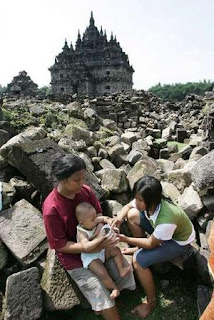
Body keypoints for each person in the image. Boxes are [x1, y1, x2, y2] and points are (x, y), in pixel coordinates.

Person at [42, 154, 136, 320]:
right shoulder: (51, 209)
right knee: (102, 294)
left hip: (99, 247)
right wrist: (89, 246)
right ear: (63, 180)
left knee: (124, 273)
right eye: (76, 180)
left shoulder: (85, 191)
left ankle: (104, 299)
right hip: (75, 258)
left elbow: (98, 213)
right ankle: (103, 303)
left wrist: (101, 232)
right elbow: (60, 245)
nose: (82, 183)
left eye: (83, 178)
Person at [112, 175, 195, 318]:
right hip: (163, 234)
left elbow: (151, 244)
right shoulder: (152, 201)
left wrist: (126, 238)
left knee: (138, 260)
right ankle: (139, 248)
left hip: (178, 242)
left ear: (152, 201)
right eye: (136, 197)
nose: (136, 201)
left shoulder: (166, 219)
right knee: (132, 214)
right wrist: (119, 218)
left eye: (139, 200)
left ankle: (151, 302)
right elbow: (127, 207)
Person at [75, 202, 131, 299]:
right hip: (91, 258)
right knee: (102, 273)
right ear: (81, 223)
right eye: (93, 219)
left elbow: (104, 219)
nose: (96, 220)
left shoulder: (94, 219)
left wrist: (109, 221)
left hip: (102, 251)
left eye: (95, 216)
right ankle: (114, 288)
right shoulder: (81, 232)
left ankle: (121, 269)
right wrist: (99, 238)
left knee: (116, 250)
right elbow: (85, 246)